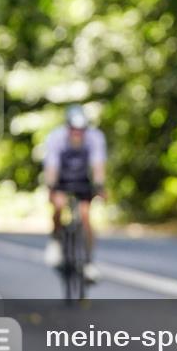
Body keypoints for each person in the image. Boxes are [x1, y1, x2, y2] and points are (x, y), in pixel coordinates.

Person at [42, 104, 107, 283]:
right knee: (58, 206)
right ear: (68, 127)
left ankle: (88, 261)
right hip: (61, 179)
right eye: (74, 130)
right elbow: (51, 166)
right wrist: (51, 188)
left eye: (81, 130)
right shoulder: (56, 137)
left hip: (82, 180)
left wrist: (100, 186)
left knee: (85, 216)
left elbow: (98, 165)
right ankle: (56, 240)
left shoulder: (95, 138)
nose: (77, 134)